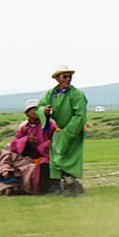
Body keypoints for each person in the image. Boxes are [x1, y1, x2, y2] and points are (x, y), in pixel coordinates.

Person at [40, 66, 89, 197]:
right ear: (57, 78)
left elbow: (80, 115)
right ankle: (59, 186)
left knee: (68, 160)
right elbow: (41, 106)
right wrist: (44, 111)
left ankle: (72, 187)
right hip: (59, 131)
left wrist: (69, 132)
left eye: (69, 76)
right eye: (64, 76)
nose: (68, 79)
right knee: (56, 159)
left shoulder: (77, 94)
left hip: (73, 131)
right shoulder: (52, 94)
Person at [0, 100, 52, 196]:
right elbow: (14, 142)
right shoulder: (24, 128)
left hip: (46, 155)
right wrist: (26, 140)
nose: (35, 112)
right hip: (27, 158)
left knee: (43, 166)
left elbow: (55, 139)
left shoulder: (49, 124)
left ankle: (45, 189)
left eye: (37, 109)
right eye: (32, 109)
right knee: (21, 168)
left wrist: (43, 147)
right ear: (27, 113)